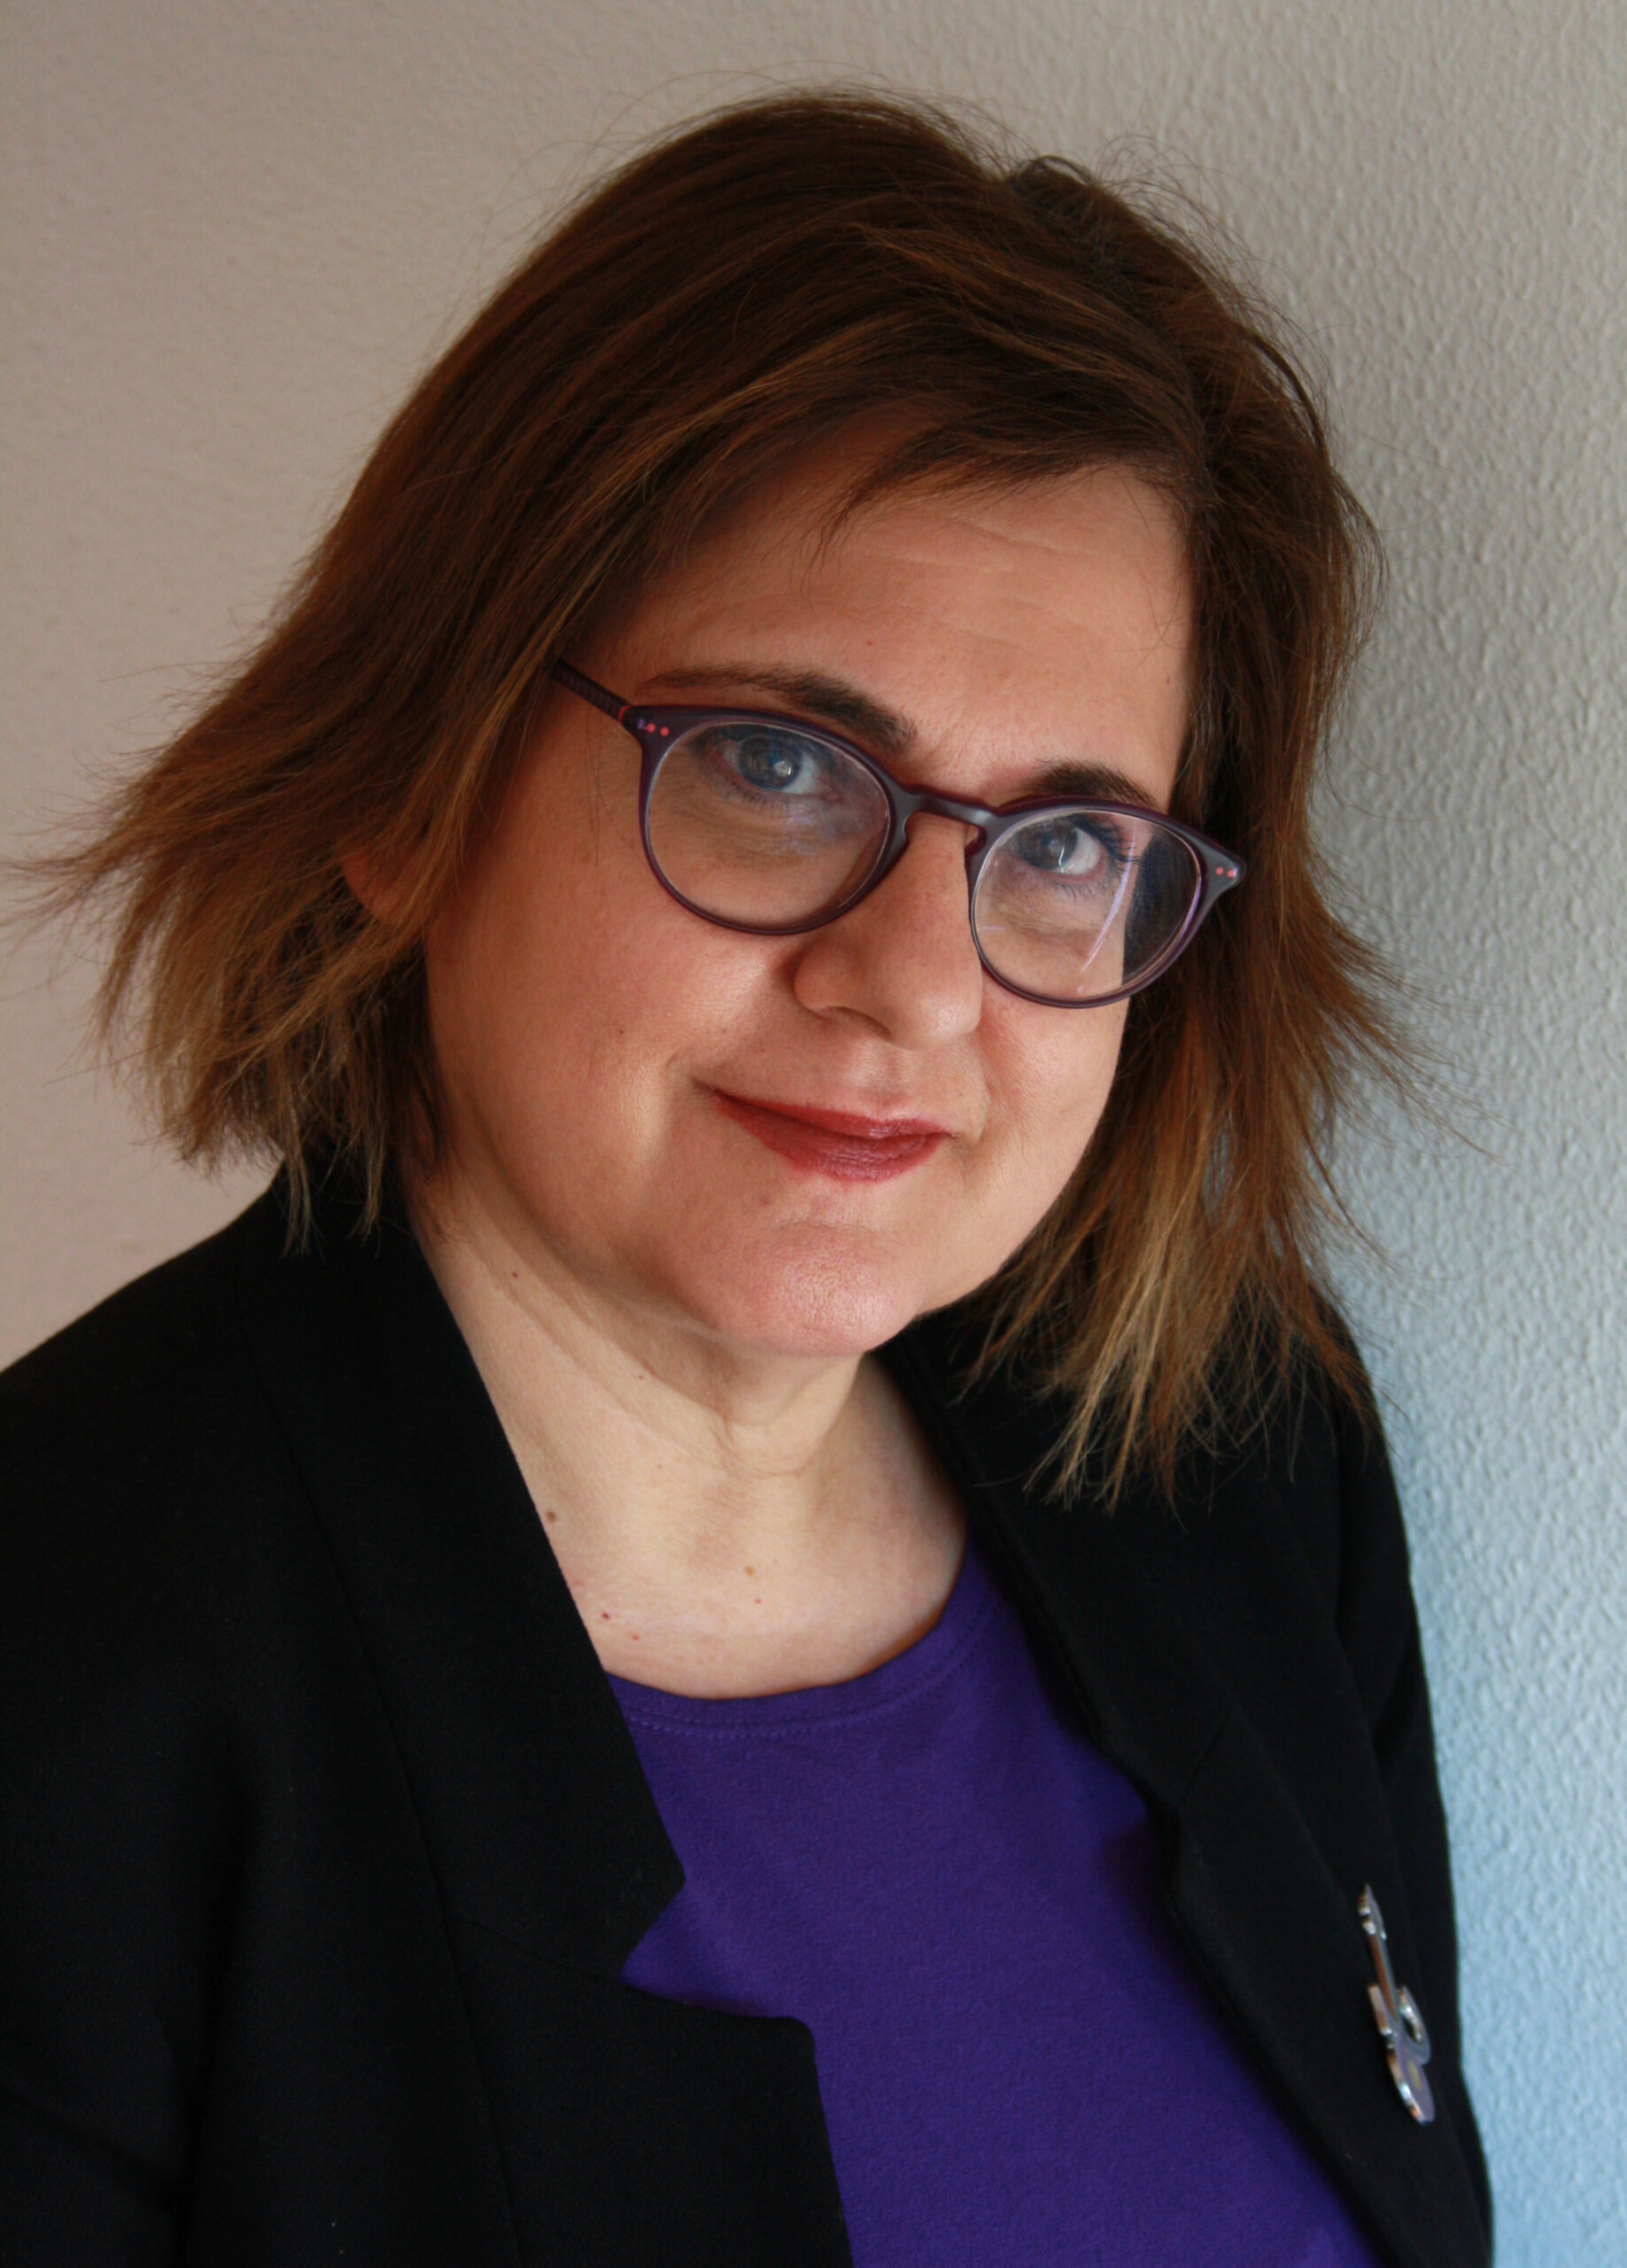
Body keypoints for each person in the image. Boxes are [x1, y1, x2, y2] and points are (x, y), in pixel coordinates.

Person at [0, 90, 1491, 2268]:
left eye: (1067, 839)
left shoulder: (1240, 1449)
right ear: (411, 781)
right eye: (775, 765)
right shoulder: (55, 1668)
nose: (914, 984)